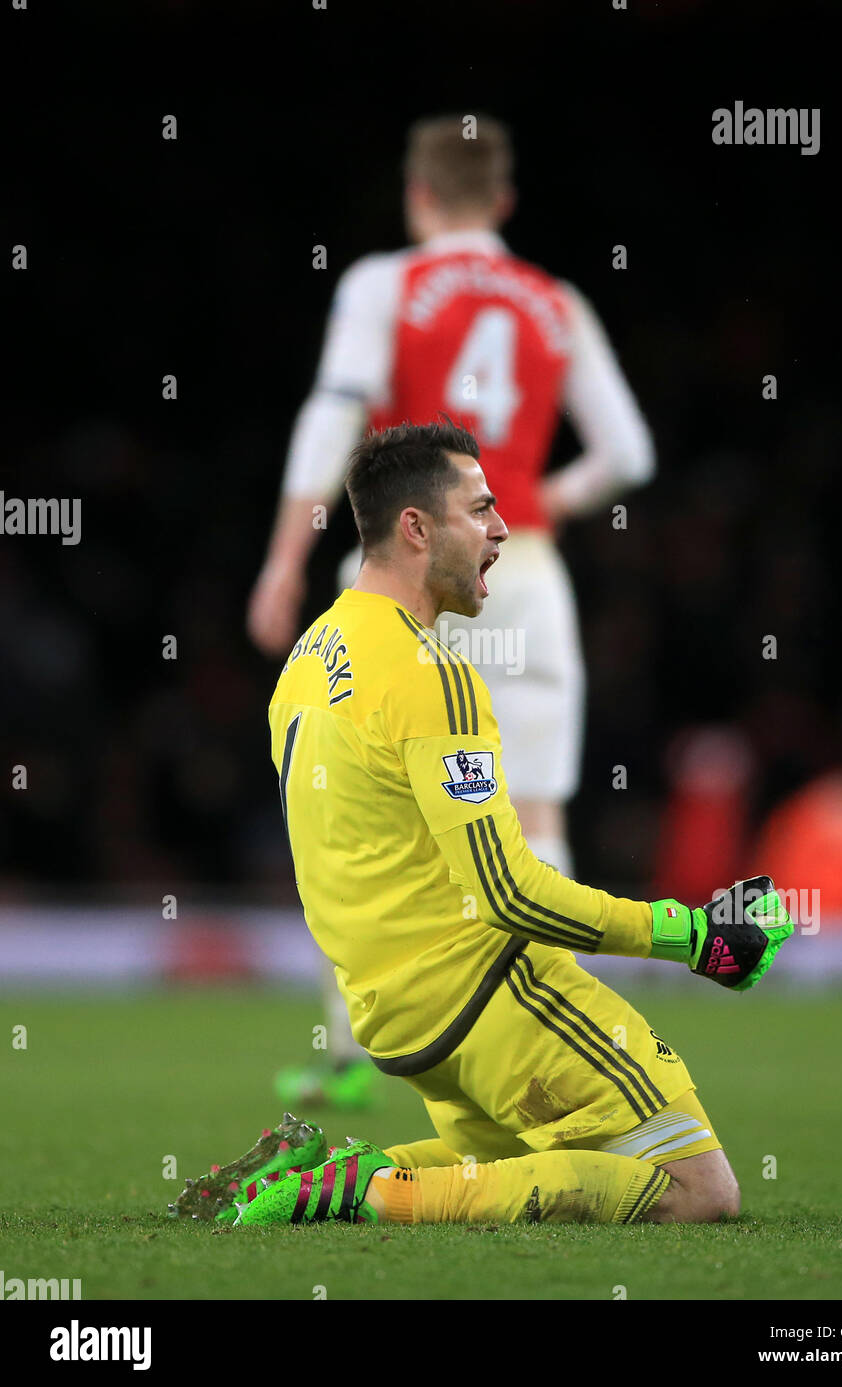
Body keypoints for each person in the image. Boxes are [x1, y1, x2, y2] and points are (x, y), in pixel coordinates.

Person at [214, 420, 792, 1230]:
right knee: (698, 1191)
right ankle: (364, 1193)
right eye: (479, 509)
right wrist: (691, 936)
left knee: (521, 1165)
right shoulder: (432, 677)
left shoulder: (308, 659)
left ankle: (348, 1168)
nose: (501, 529)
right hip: (490, 994)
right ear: (415, 527)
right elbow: (509, 895)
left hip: (395, 1017)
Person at [247, 114, 656, 1105]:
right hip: (523, 569)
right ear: (504, 201)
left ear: (417, 196)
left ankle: (352, 1055)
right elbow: (630, 453)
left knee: (356, 798)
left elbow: (335, 409)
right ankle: (579, 1057)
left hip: (405, 567)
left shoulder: (384, 284)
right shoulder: (555, 301)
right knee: (533, 814)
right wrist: (536, 500)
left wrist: (285, 554)